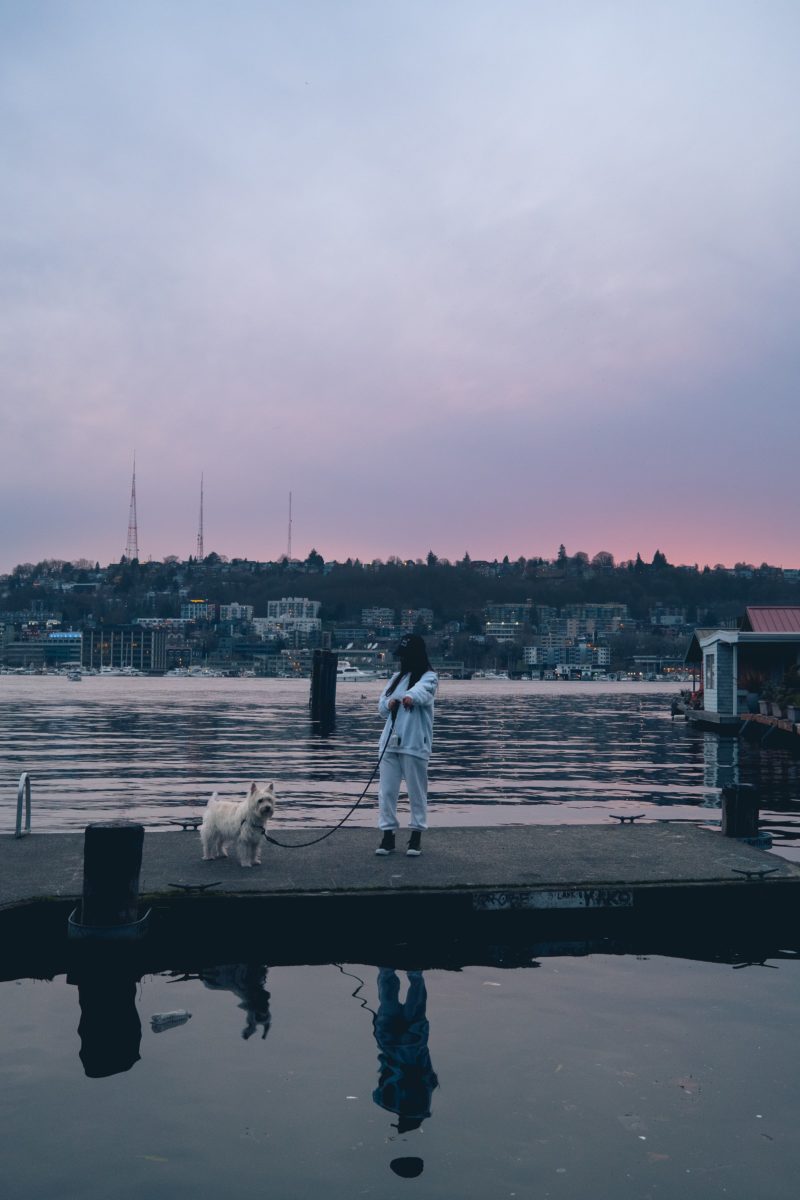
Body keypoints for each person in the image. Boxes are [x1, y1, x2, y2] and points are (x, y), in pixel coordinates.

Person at [375, 633, 438, 856]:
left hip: (414, 744)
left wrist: (410, 696)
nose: (402, 660)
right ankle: (388, 835)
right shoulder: (395, 678)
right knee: (387, 791)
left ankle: (416, 836)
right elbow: (381, 706)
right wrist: (390, 702)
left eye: (405, 656)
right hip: (389, 744)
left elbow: (422, 692)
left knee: (416, 791)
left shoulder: (429, 677)